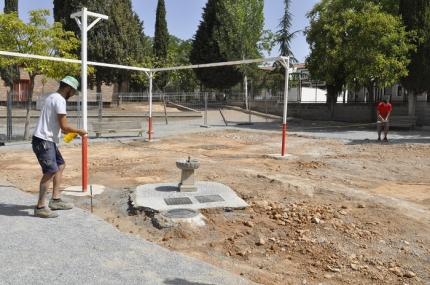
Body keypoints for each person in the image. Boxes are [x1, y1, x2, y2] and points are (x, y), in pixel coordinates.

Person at [32, 76, 87, 218]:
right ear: (68, 88)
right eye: (73, 91)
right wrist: (79, 131)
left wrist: (70, 132)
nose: (73, 95)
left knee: (60, 165)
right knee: (50, 171)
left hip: (46, 139)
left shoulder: (52, 97)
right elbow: (64, 126)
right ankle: (40, 207)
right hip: (44, 140)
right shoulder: (60, 100)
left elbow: (60, 127)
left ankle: (55, 200)